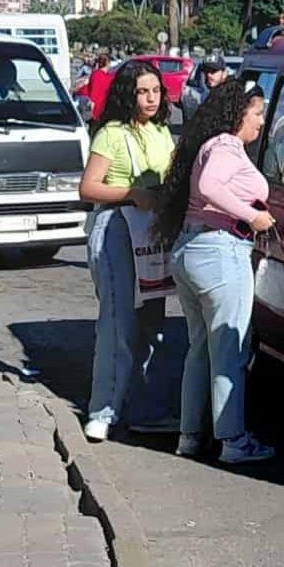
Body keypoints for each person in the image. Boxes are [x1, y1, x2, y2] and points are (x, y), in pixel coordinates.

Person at [153, 79, 277, 465]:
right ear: (238, 112)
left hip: (193, 250)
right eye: (257, 113)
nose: (261, 121)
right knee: (229, 349)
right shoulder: (226, 146)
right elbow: (209, 186)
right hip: (220, 252)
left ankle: (191, 435)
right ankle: (233, 440)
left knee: (200, 349)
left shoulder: (209, 144)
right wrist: (252, 215)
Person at [77, 60, 180, 443]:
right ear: (127, 94)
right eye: (142, 91)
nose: (151, 98)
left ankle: (145, 410)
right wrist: (132, 193)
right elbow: (88, 187)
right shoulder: (111, 134)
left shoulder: (162, 132)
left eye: (156, 90)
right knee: (118, 322)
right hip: (117, 229)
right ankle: (103, 410)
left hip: (151, 232)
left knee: (152, 323)